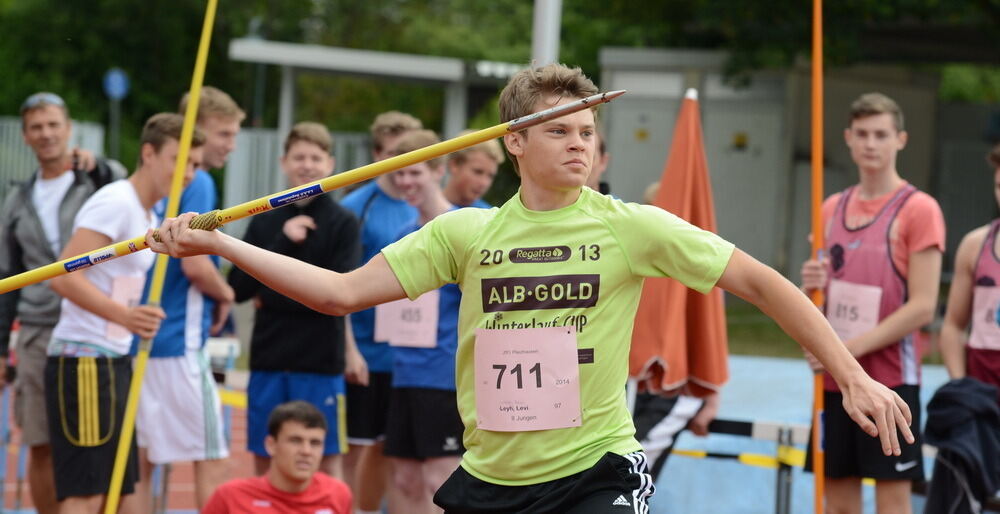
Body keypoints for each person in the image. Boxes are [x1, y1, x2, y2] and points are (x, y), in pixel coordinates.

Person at [150, 63, 915, 513]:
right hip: (490, 479)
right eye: (560, 131)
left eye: (587, 133)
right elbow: (337, 294)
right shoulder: (466, 234)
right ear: (513, 144)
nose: (580, 144)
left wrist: (847, 376)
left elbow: (763, 282)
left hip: (595, 471)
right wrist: (217, 241)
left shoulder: (629, 226)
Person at [46, 113, 204, 513]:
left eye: (195, 164)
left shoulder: (150, 214)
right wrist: (125, 316)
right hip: (83, 359)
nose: (187, 173)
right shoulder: (116, 202)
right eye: (179, 159)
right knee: (88, 489)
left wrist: (130, 315)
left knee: (120, 485)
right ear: (148, 154)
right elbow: (63, 276)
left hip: (113, 358)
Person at [800, 92, 945, 514]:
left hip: (890, 382)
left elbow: (923, 307)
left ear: (900, 139)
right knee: (839, 500)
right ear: (847, 138)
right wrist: (810, 285)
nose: (870, 144)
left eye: (881, 134)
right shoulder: (830, 208)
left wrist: (845, 352)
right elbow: (818, 298)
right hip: (834, 382)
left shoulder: (920, 210)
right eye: (862, 134)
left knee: (892, 501)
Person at [0, 91, 126, 514]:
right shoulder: (16, 200)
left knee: (94, 442)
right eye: (36, 127)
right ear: (25, 136)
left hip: (93, 323)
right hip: (38, 330)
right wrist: (2, 348)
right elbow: (8, 278)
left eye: (53, 124)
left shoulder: (99, 179)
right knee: (39, 442)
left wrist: (102, 167)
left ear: (68, 128)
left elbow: (134, 195)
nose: (46, 134)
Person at [131, 86, 244, 513]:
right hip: (178, 338)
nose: (230, 145)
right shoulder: (196, 182)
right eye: (223, 134)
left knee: (143, 459)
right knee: (210, 453)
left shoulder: (158, 175)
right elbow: (195, 261)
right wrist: (227, 294)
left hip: (147, 334)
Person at [228, 122, 362, 479]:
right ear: (284, 162)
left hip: (319, 360)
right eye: (299, 157)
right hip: (270, 356)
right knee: (265, 454)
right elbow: (238, 290)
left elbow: (341, 290)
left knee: (325, 456)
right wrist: (283, 242)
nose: (307, 165)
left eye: (315, 157)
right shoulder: (262, 218)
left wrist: (270, 294)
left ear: (330, 164)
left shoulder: (343, 223)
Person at [339, 110, 421, 514]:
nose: (405, 162)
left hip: (415, 354)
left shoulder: (424, 203)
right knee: (356, 446)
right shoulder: (358, 206)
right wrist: (349, 349)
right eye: (395, 153)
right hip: (370, 349)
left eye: (413, 152)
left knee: (397, 451)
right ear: (377, 155)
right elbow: (338, 283)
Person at [381, 130, 465, 513]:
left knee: (440, 482)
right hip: (405, 372)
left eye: (414, 173)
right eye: (399, 174)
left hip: (445, 377)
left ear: (439, 170)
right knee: (405, 481)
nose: (405, 182)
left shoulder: (463, 229)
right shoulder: (403, 236)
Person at [630, 180, 720, 481]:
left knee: (633, 465)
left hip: (674, 390)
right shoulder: (636, 260)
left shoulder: (700, 265)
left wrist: (712, 398)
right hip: (633, 383)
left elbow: (709, 336)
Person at [202, 401, 353, 514]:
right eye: (295, 441)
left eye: (315, 443)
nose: (306, 451)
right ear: (271, 445)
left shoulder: (337, 494)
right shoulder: (231, 497)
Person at [940, 142, 1000, 401]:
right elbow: (953, 325)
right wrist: (961, 386)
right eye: (999, 186)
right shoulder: (975, 245)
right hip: (981, 389)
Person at [442, 129, 503, 208]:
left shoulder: (490, 217)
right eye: (478, 172)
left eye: (490, 176)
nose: (484, 183)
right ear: (454, 165)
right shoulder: (424, 210)